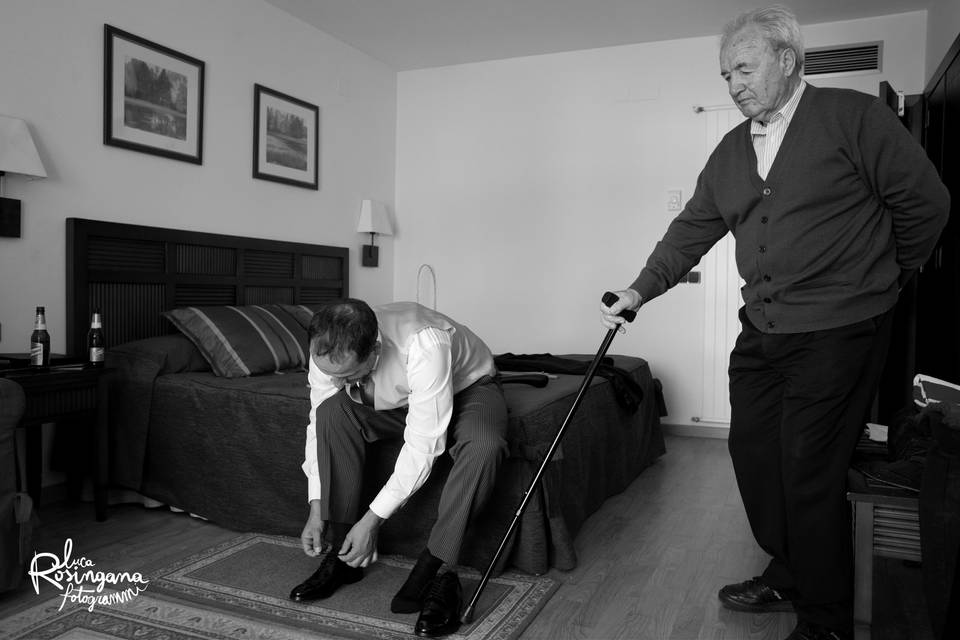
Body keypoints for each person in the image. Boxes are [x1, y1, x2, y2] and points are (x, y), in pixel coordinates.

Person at [601, 6, 949, 640]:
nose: (734, 83)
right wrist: (639, 289)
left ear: (787, 61)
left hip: (842, 328)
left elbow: (925, 203)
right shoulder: (732, 151)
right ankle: (792, 571)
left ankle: (826, 620)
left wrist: (888, 276)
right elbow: (693, 229)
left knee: (808, 467)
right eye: (726, 73)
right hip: (763, 330)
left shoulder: (853, 118)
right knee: (754, 455)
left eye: (745, 67)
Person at [289, 298, 508, 638]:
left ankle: (439, 570)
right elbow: (318, 422)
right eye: (330, 374)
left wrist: (372, 521)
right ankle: (343, 553)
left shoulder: (425, 343)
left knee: (484, 446)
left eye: (346, 375)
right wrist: (317, 506)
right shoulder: (326, 348)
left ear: (375, 349)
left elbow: (423, 445)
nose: (336, 383)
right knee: (333, 412)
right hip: (405, 399)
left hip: (468, 388)